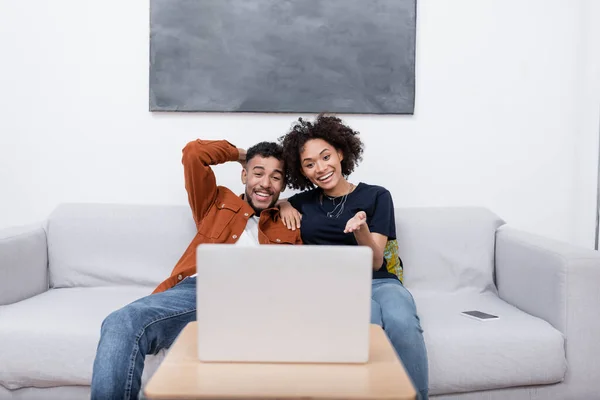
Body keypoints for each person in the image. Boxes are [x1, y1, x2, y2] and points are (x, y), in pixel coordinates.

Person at [90, 139, 301, 400]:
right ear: (244, 174)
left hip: (256, 303)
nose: (266, 183)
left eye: (275, 177)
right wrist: (243, 155)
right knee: (121, 321)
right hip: (198, 292)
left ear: (283, 185)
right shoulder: (216, 202)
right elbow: (194, 154)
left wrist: (287, 204)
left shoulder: (290, 223)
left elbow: (299, 276)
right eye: (258, 173)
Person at [278, 114, 429, 399]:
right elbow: (259, 199)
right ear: (303, 172)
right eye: (309, 164)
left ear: (341, 152)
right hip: (336, 286)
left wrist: (361, 229)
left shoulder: (376, 196)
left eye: (325, 157)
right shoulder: (303, 202)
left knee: (403, 321)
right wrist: (283, 204)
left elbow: (374, 261)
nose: (320, 168)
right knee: (367, 322)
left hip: (380, 281)